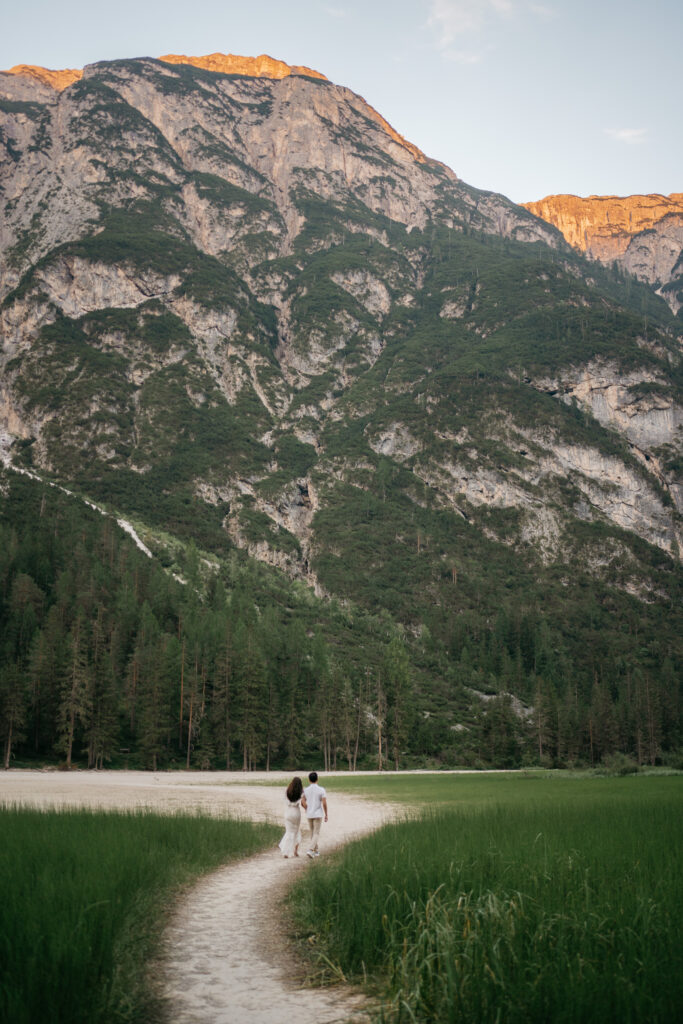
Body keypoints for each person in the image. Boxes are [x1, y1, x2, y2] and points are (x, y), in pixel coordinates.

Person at [303, 771, 328, 858]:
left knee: (312, 833)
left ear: (309, 780)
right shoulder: (321, 790)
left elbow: (302, 801)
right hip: (318, 813)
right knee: (316, 833)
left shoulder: (305, 790)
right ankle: (310, 849)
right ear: (317, 779)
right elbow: (324, 803)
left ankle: (316, 851)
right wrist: (326, 814)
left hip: (309, 814)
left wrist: (306, 808)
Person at [278, 776, 304, 859]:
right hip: (296, 812)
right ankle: (295, 851)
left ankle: (285, 851)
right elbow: (303, 803)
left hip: (288, 812)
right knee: (296, 831)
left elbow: (285, 801)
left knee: (289, 832)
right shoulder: (301, 792)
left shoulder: (287, 791)